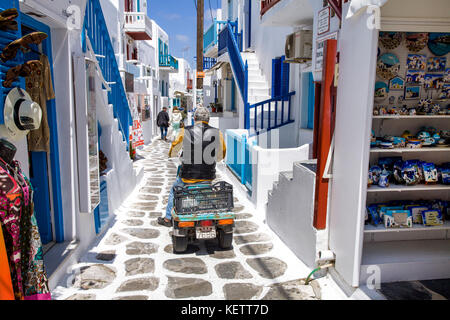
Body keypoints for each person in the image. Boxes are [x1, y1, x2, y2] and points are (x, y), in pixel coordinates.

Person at [158, 106, 226, 227]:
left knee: (175, 189)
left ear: (194, 118)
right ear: (208, 120)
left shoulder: (185, 131)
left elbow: (175, 146)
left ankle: (168, 218)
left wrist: (172, 154)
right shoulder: (217, 132)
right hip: (208, 177)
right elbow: (221, 154)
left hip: (187, 177)